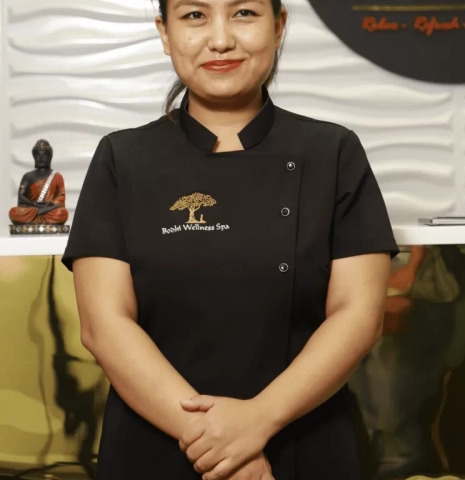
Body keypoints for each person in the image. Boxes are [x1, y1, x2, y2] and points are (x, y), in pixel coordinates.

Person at [61, 1, 398, 479]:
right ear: (164, 32)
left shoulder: (333, 152)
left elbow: (358, 315)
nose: (220, 40)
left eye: (243, 13)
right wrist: (218, 443)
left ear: (279, 26)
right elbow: (104, 325)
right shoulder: (122, 157)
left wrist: (258, 420)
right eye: (194, 15)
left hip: (302, 437)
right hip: (157, 442)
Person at [9, 139, 69, 226]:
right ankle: (41, 218)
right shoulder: (28, 176)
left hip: (49, 209)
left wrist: (50, 204)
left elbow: (61, 196)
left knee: (62, 213)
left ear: (50, 157)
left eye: (44, 155)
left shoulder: (57, 176)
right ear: (34, 157)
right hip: (32, 208)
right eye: (37, 155)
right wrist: (33, 204)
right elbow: (21, 197)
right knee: (14, 212)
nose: (41, 158)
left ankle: (35, 219)